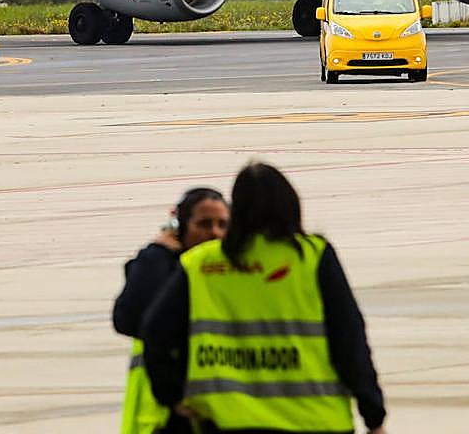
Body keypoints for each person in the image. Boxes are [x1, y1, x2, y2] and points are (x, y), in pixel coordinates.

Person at [142, 163, 386, 434]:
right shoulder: (311, 257)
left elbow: (154, 332)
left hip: (230, 422)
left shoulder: (201, 264)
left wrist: (173, 396)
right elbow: (349, 341)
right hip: (316, 421)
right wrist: (373, 413)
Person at [114, 187, 230, 434]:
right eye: (204, 224)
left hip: (221, 412)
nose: (214, 233)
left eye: (222, 225)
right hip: (167, 417)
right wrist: (157, 255)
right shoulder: (162, 271)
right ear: (181, 229)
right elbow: (129, 318)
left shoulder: (237, 273)